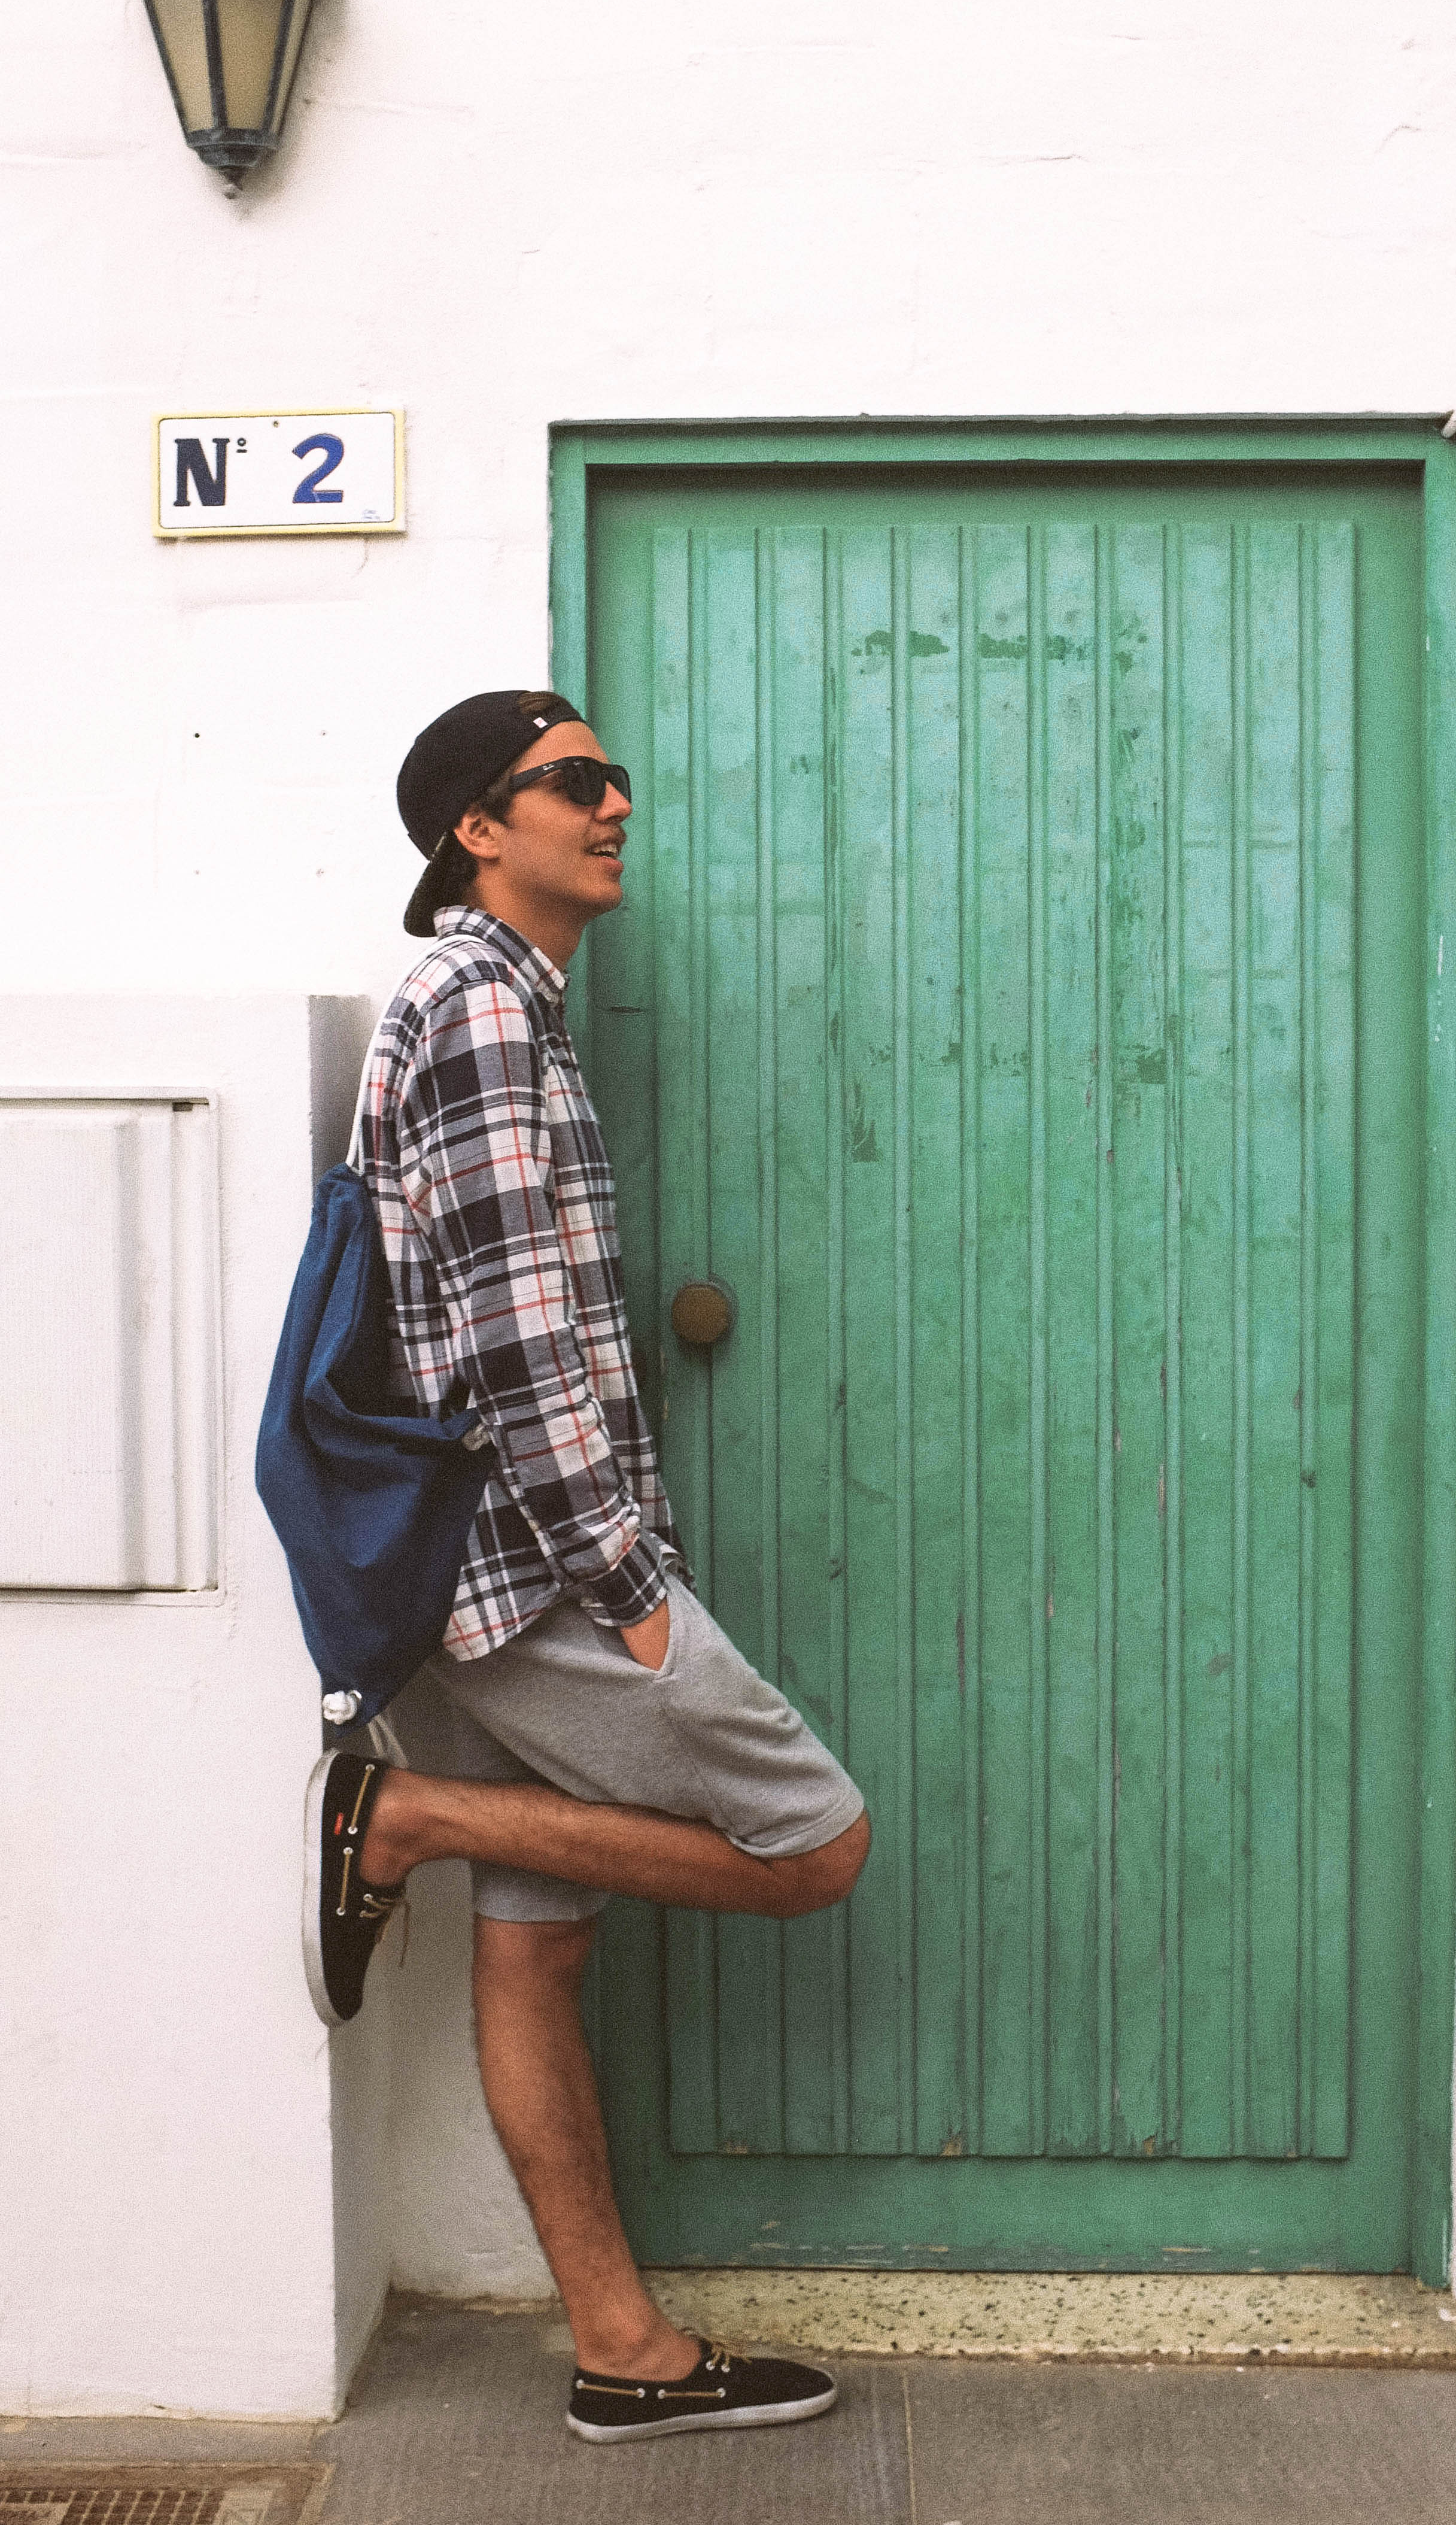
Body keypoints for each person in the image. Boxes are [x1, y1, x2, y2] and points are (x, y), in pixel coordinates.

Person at [304, 687, 870, 2446]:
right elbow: (511, 1338)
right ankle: (401, 1819)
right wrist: (624, 1586)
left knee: (536, 1954)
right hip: (537, 1574)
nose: (615, 802)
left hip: (480, 1572)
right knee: (812, 1846)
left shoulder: (500, 1005)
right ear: (478, 829)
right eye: (572, 781)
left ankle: (623, 2354)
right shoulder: (480, 1006)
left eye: (613, 776)